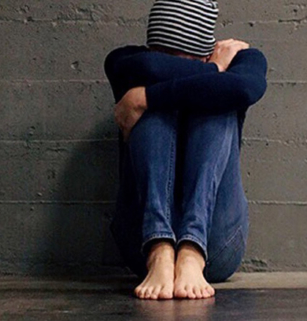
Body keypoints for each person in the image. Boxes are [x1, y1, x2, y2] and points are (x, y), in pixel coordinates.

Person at [103, 0, 268, 300]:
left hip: (217, 245)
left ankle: (192, 251)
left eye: (183, 59)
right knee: (154, 108)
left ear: (205, 53)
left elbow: (245, 88)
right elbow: (149, 67)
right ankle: (160, 248)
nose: (168, 66)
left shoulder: (244, 62)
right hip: (140, 242)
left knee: (216, 103)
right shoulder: (127, 61)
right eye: (163, 56)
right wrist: (213, 71)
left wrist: (149, 95)